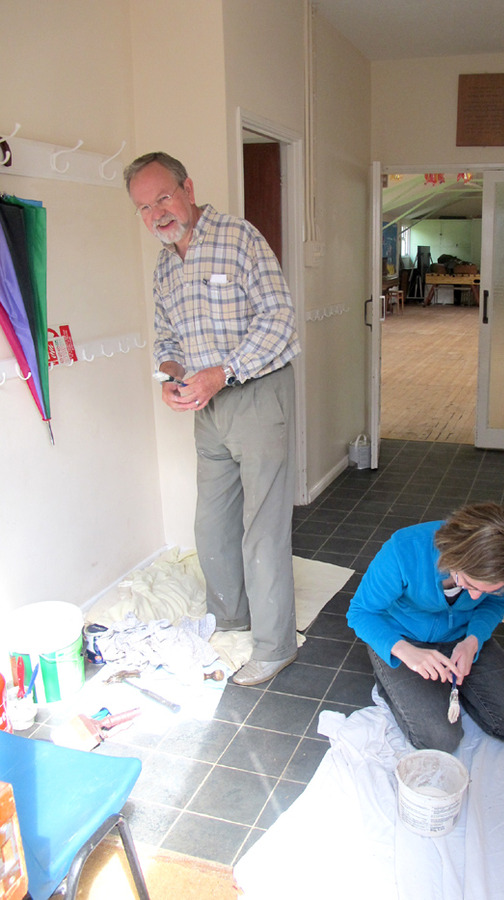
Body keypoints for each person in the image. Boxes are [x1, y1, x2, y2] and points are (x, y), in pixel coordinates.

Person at [124, 152, 301, 686]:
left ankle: (275, 647)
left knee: (262, 527)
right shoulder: (164, 266)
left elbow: (281, 320)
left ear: (188, 187)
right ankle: (230, 619)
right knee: (212, 522)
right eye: (143, 207)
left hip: (256, 392)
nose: (156, 213)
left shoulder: (239, 238)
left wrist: (223, 372)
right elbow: (169, 340)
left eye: (163, 197)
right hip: (207, 404)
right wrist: (172, 377)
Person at [347, 502, 504, 753]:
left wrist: (473, 640)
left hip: (461, 635)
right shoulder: (404, 550)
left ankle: (456, 686)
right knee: (441, 741)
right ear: (454, 559)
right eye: (470, 585)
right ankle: (390, 679)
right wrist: (405, 652)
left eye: (487, 590)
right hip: (403, 638)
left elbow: (495, 604)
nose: (474, 598)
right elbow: (360, 612)